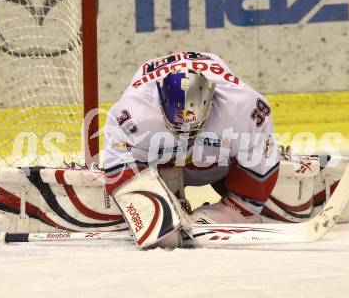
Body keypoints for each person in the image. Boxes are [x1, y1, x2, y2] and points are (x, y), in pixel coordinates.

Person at [103, 52, 279, 249]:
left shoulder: (244, 107)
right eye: (178, 127)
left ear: (211, 102)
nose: (186, 133)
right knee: (158, 235)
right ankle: (165, 196)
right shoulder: (132, 114)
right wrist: (153, 215)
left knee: (268, 205)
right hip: (162, 164)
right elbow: (119, 169)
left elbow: (260, 167)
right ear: (160, 105)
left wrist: (234, 211)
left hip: (216, 165)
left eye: (195, 126)